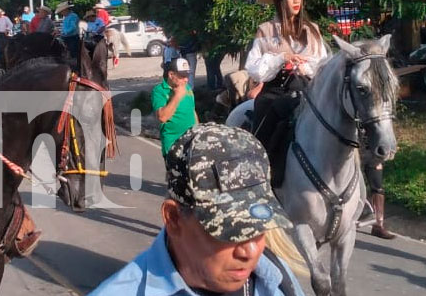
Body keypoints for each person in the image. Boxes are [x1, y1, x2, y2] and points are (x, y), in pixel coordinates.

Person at [90, 122, 306, 296]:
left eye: (259, 226)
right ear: (173, 218)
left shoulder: (276, 276)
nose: (250, 251)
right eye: (229, 231)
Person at [246, 0, 327, 185]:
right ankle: (261, 174)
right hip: (275, 92)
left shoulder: (313, 30)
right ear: (280, 0)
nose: (297, 0)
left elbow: (322, 64)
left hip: (307, 90)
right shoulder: (265, 30)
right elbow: (254, 69)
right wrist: (281, 58)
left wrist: (304, 66)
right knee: (265, 125)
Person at [152, 58, 198, 158]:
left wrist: (198, 130)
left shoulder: (187, 88)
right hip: (173, 142)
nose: (186, 79)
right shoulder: (159, 91)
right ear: (171, 75)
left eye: (187, 76)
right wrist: (177, 96)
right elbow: (162, 117)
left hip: (191, 139)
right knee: (175, 173)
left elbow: (192, 110)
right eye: (182, 76)